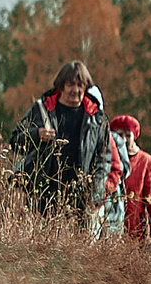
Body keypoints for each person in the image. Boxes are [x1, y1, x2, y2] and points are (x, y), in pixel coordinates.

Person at [13, 61, 112, 226]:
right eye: (70, 84)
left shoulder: (97, 118)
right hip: (43, 197)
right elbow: (15, 141)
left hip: (80, 201)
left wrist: (94, 193)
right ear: (61, 85)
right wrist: (36, 135)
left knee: (78, 250)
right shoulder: (42, 109)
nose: (76, 90)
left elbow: (104, 159)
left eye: (81, 85)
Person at [110, 115, 151, 245]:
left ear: (135, 136)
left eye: (128, 135)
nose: (123, 139)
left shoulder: (145, 161)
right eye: (119, 135)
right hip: (111, 225)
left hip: (136, 230)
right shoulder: (108, 158)